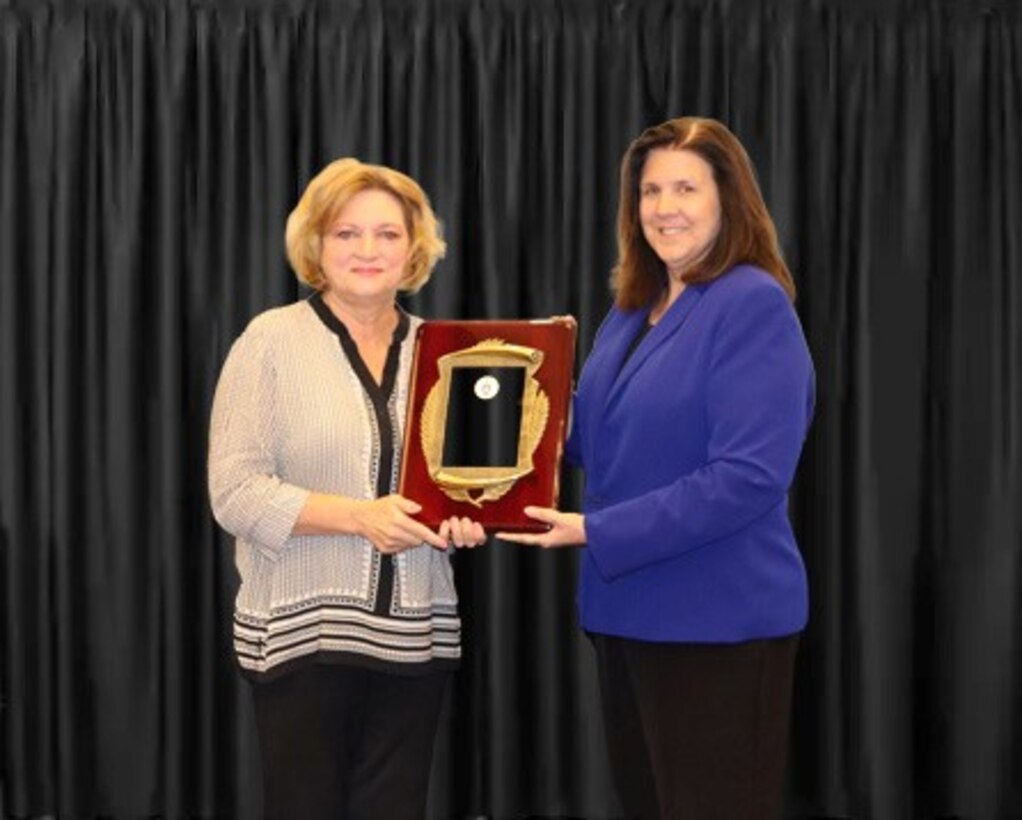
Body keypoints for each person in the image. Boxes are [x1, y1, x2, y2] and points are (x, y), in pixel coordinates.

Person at [499, 117, 815, 818]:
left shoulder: (752, 303)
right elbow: (589, 438)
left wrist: (594, 530)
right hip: (628, 614)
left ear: (728, 199)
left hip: (718, 622)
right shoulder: (631, 308)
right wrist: (491, 410)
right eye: (649, 190)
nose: (663, 207)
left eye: (685, 187)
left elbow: (748, 478)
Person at [208, 158, 485, 820]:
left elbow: (466, 480)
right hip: (303, 634)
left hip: (417, 632)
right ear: (316, 246)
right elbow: (235, 492)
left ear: (415, 246)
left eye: (388, 234)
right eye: (346, 234)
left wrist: (468, 518)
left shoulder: (448, 352)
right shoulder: (269, 342)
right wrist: (360, 518)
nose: (368, 250)